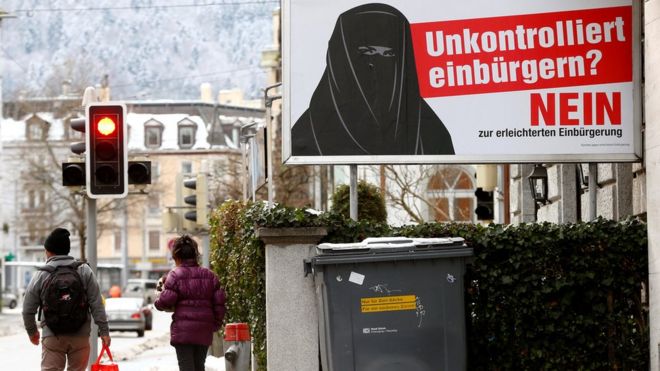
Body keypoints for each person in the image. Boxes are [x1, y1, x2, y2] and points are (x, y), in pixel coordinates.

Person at [292, 3, 455, 156]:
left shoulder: (430, 132)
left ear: (404, 60)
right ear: (341, 57)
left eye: (388, 54)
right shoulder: (308, 135)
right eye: (367, 52)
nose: (376, 64)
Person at [22, 227, 111, 371]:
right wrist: (104, 331)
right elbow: (97, 303)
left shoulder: (41, 274)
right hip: (80, 336)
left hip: (52, 336)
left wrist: (32, 333)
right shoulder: (84, 270)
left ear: (49, 251)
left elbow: (27, 309)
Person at [155, 234, 226, 371]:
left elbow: (165, 302)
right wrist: (214, 325)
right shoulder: (210, 276)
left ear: (177, 256)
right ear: (195, 255)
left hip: (183, 332)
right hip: (204, 330)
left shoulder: (175, 275)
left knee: (186, 367)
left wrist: (158, 300)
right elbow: (219, 304)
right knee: (200, 367)